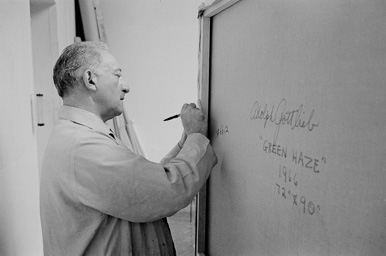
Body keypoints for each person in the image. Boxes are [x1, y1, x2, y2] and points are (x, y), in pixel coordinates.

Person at [40, 41, 218, 256]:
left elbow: (141, 183)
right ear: (90, 79)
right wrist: (198, 137)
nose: (126, 86)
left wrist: (186, 142)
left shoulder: (78, 135)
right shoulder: (85, 147)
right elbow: (166, 190)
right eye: (117, 75)